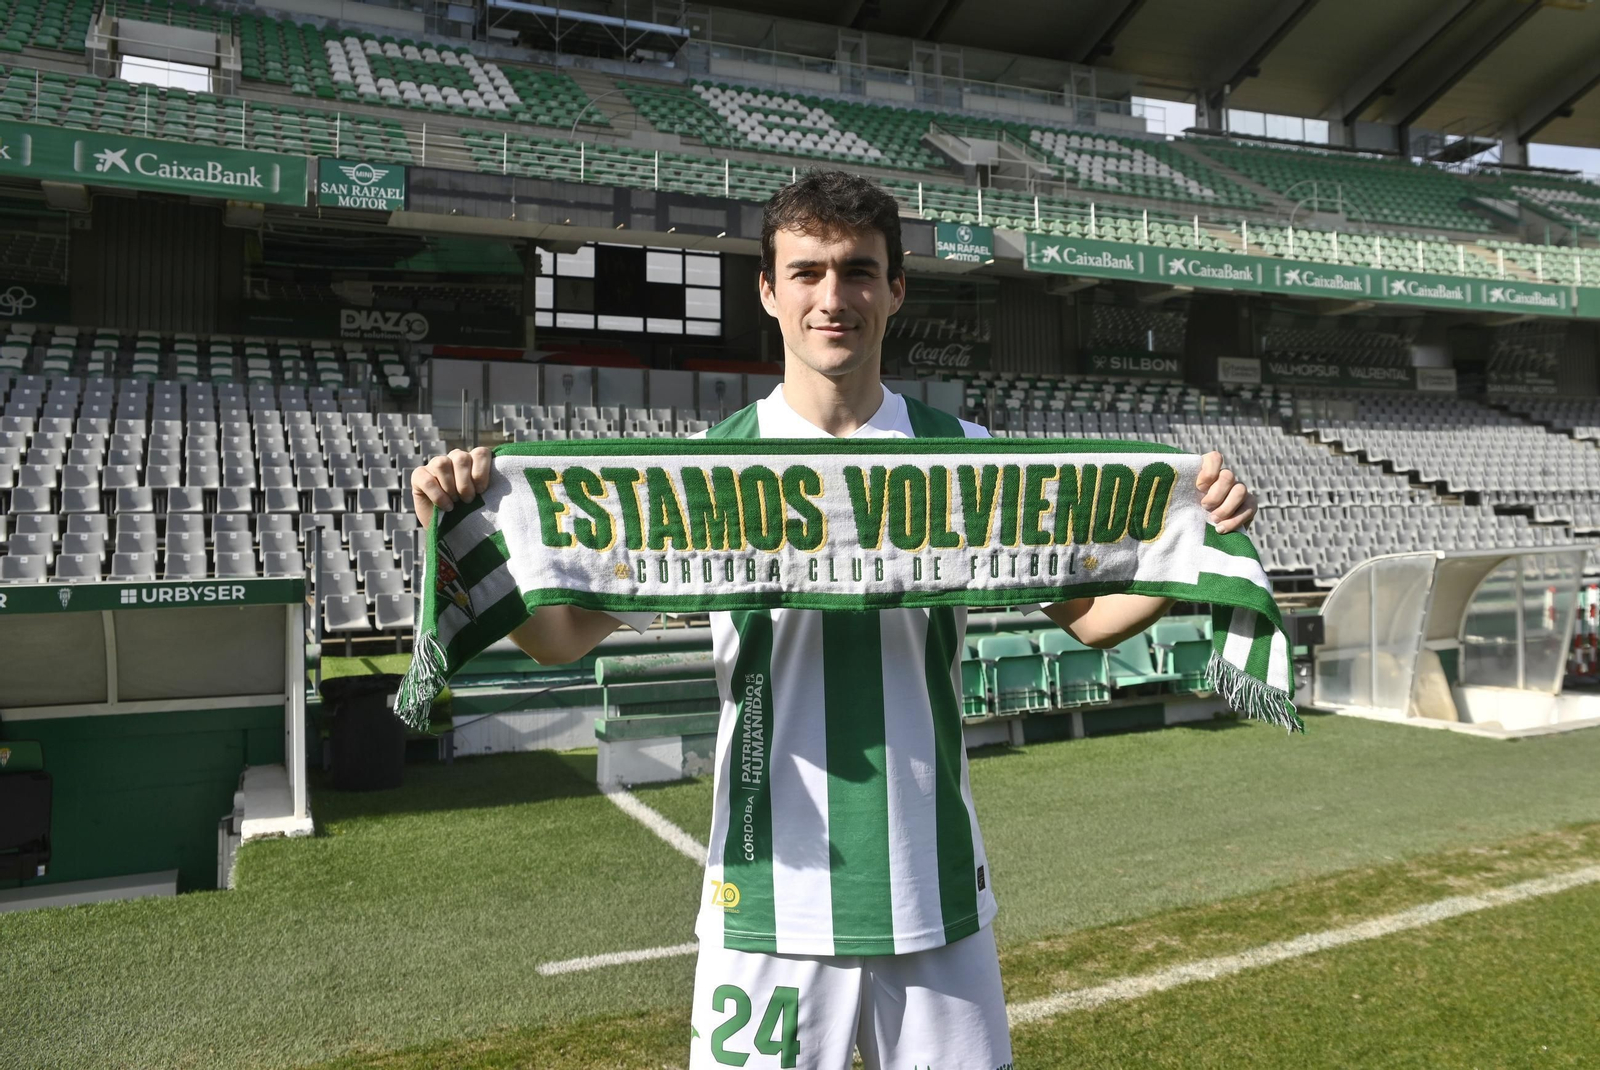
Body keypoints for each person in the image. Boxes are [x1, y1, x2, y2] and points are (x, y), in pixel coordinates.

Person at [411, 170, 1256, 1069]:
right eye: (807, 272)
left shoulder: (967, 461)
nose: (833, 296)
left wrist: (1193, 544)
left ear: (896, 290)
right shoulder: (698, 471)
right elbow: (560, 638)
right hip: (765, 894)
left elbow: (1091, 620)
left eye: (857, 271)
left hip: (931, 889)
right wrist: (460, 533)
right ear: (769, 292)